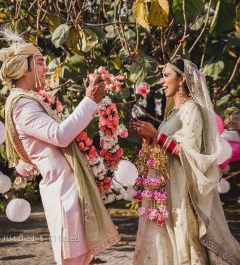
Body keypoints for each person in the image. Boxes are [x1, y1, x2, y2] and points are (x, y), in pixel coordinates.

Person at [0, 29, 120, 265]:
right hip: (62, 192)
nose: (46, 68)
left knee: (81, 259)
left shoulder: (29, 100)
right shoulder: (23, 105)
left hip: (69, 189)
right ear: (24, 68)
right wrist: (89, 101)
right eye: (40, 63)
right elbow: (60, 135)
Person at [130, 58, 240, 265]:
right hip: (167, 188)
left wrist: (156, 135)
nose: (162, 82)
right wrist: (150, 137)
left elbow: (190, 153)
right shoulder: (175, 112)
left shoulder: (192, 110)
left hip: (181, 190)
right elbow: (166, 145)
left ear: (181, 79)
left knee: (182, 236)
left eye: (166, 76)